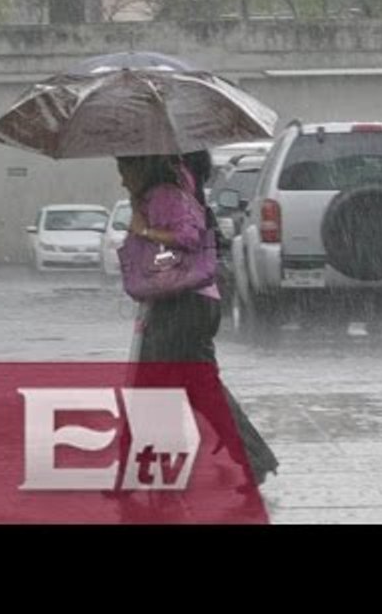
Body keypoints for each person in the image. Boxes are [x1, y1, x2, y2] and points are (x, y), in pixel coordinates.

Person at [116, 154, 276, 502]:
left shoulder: (165, 193)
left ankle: (148, 470)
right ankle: (252, 459)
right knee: (200, 389)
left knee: (154, 387)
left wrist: (143, 229)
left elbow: (188, 237)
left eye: (124, 169)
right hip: (191, 303)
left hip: (182, 306)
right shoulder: (167, 190)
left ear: (142, 165)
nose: (122, 178)